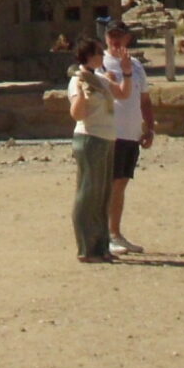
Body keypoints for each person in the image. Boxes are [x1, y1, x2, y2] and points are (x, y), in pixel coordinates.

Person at [101, 20, 154, 255]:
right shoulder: (99, 64)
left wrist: (149, 127)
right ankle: (104, 235)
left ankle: (115, 232)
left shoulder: (136, 66)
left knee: (121, 182)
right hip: (108, 133)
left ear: (127, 39)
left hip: (130, 134)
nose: (115, 41)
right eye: (111, 36)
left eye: (119, 36)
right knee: (108, 184)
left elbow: (144, 99)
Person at [66, 36, 118, 263]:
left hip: (106, 137)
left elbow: (123, 94)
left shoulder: (98, 78)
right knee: (88, 194)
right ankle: (86, 248)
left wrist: (121, 74)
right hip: (89, 139)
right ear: (88, 56)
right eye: (99, 52)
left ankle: (101, 246)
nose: (102, 56)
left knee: (103, 194)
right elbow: (77, 114)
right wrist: (82, 94)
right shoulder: (78, 80)